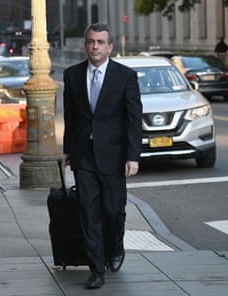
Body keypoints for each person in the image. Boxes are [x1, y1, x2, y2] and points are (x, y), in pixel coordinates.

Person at [62, 23, 142, 289]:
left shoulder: (125, 76)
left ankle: (115, 247)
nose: (95, 46)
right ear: (86, 44)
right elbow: (71, 116)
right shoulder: (72, 75)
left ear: (110, 46)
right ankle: (96, 270)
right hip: (83, 155)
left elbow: (133, 119)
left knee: (113, 210)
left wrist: (133, 156)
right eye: (90, 41)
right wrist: (68, 149)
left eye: (100, 42)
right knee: (88, 212)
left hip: (114, 156)